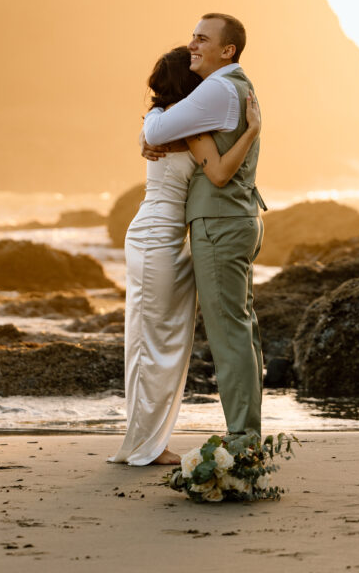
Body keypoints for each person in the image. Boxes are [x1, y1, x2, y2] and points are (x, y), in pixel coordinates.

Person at [109, 44, 261, 466]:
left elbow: (152, 132)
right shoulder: (183, 128)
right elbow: (217, 172)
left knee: (154, 342)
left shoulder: (162, 122)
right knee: (157, 343)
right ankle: (146, 445)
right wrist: (251, 131)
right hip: (158, 238)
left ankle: (143, 440)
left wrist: (147, 132)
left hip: (156, 235)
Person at [142, 13, 266, 439]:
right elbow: (186, 141)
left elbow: (158, 129)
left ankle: (243, 440)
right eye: (192, 38)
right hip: (238, 218)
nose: (192, 45)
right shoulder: (238, 86)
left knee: (229, 334)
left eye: (201, 39)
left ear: (226, 50)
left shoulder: (216, 89)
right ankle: (247, 434)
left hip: (220, 223)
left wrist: (150, 131)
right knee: (243, 330)